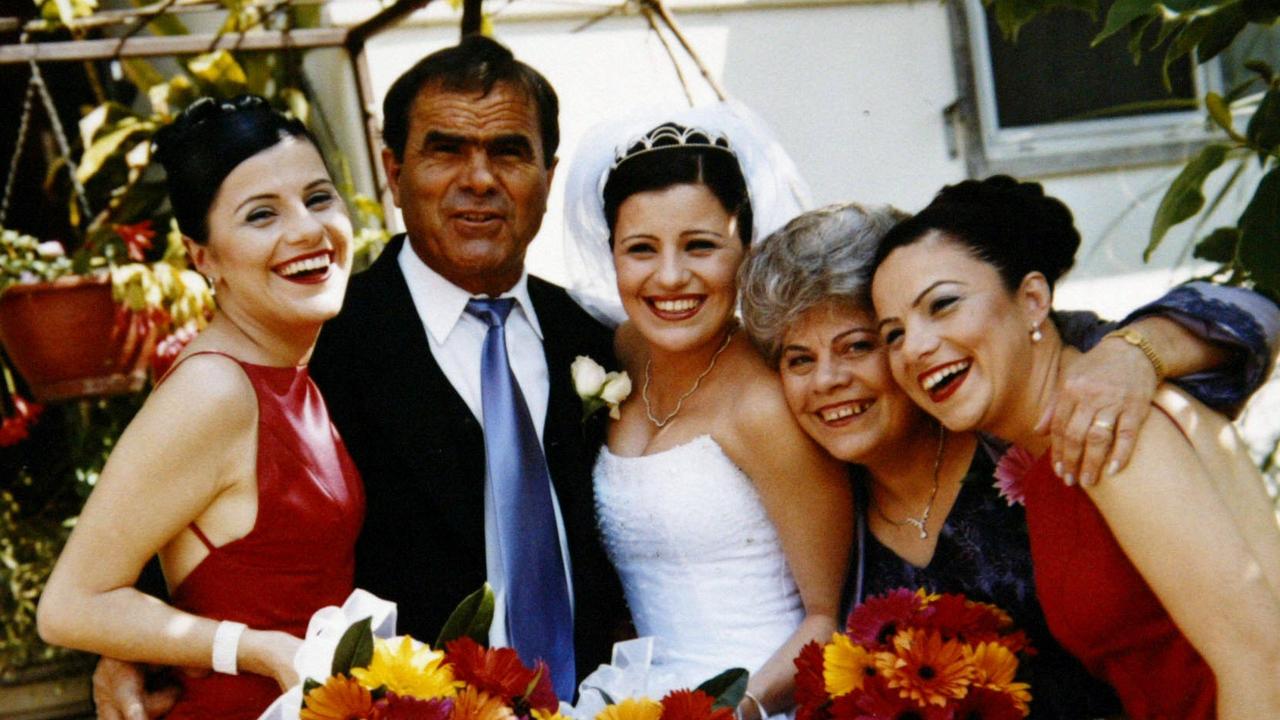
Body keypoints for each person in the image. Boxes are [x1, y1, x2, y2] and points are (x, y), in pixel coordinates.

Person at [738, 202, 1280, 718]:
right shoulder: (824, 501)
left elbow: (1251, 314)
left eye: (858, 345)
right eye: (798, 359)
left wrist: (1133, 352)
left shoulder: (1038, 411)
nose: (828, 380)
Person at [36, 95, 363, 720]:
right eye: (261, 214)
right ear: (203, 257)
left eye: (319, 198)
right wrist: (257, 650)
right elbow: (71, 603)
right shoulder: (213, 392)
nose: (306, 229)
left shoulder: (285, 367)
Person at [565, 110, 851, 720]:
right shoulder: (624, 352)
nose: (670, 277)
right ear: (611, 253)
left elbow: (829, 616)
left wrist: (735, 708)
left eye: (701, 246)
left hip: (760, 700)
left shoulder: (766, 402)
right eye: (640, 249)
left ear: (745, 248)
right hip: (640, 697)